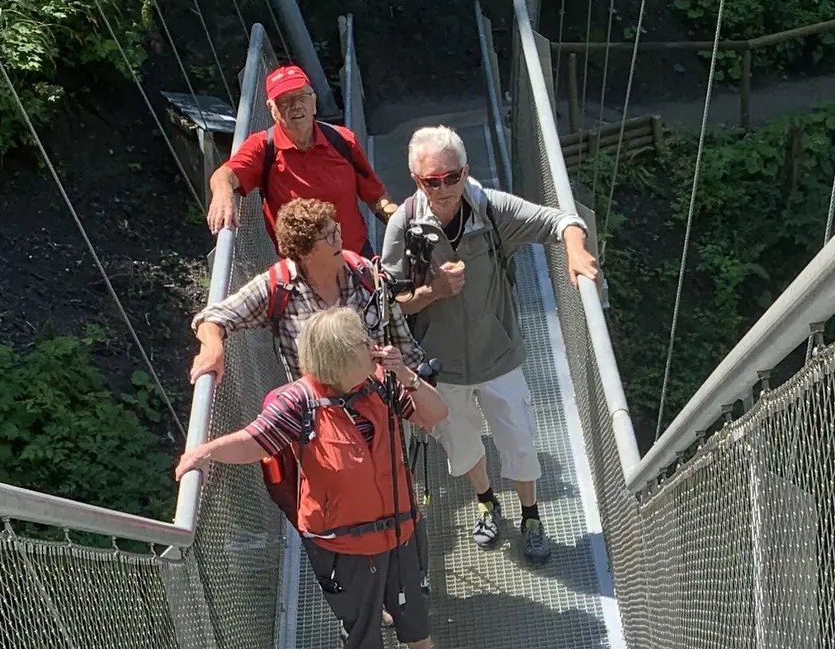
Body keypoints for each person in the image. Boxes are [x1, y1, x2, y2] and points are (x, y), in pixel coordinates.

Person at [176, 307, 452, 649]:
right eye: (363, 343)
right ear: (341, 358)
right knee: (359, 623)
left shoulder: (380, 385)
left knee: (413, 607)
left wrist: (409, 376)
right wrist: (206, 452)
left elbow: (435, 416)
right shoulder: (300, 402)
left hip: (399, 529)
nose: (373, 346)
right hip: (342, 543)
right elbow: (256, 439)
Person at [378, 125, 599, 563]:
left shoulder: (491, 210)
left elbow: (560, 220)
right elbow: (391, 301)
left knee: (518, 439)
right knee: (460, 442)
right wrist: (434, 291)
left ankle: (531, 515)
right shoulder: (404, 223)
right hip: (441, 365)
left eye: (451, 177)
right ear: (415, 179)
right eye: (430, 181)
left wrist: (575, 249)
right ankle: (486, 502)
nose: (442, 189)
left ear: (466, 171)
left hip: (497, 353)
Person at [189, 197, 416, 387]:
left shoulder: (365, 273)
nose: (339, 240)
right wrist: (213, 349)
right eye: (328, 237)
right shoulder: (278, 287)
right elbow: (212, 318)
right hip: (320, 425)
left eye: (336, 230)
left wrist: (416, 385)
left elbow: (405, 345)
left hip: (379, 415)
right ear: (304, 252)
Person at [206, 64, 394, 254]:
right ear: (272, 109)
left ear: (313, 101)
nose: (296, 106)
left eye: (301, 97)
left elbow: (376, 197)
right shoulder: (263, 148)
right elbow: (224, 174)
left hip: (355, 259)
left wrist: (400, 222)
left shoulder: (343, 141)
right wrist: (223, 193)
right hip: (302, 271)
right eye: (285, 101)